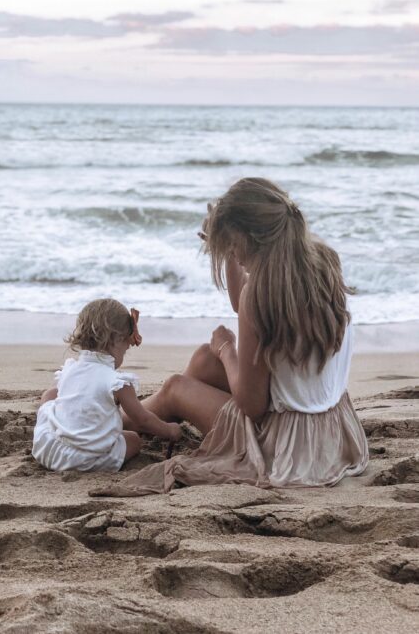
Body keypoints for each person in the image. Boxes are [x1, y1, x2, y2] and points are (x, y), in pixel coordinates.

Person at [106, 177, 368, 496]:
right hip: (334, 430)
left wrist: (228, 348)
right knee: (205, 358)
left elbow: (251, 405)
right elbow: (240, 301)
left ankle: (101, 425)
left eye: (231, 243)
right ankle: (154, 421)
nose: (229, 251)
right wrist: (229, 251)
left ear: (251, 237)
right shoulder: (322, 262)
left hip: (288, 445)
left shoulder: (259, 296)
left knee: (177, 387)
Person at [32, 298, 181, 473]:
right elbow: (142, 420)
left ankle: (62, 427)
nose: (124, 355)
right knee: (133, 439)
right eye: (125, 349)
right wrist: (170, 430)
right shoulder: (118, 383)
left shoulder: (70, 369)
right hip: (85, 460)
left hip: (48, 450)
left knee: (50, 394)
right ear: (117, 339)